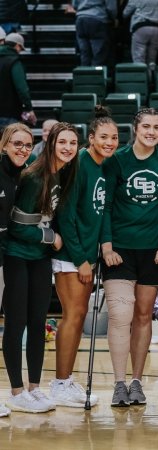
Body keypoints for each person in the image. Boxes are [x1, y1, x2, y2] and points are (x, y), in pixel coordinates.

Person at [100, 108, 158, 407]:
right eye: (146, 126)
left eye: (157, 127)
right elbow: (106, 205)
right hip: (120, 251)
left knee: (142, 315)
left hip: (155, 252)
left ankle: (136, 381)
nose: (152, 132)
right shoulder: (117, 161)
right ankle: (118, 383)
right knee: (120, 316)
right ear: (135, 129)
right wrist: (107, 246)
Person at [3, 122, 79, 413]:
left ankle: (35, 388)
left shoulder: (59, 172)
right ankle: (16, 391)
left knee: (38, 323)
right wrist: (52, 237)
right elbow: (17, 226)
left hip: (39, 257)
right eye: (62, 143)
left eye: (73, 143)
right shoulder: (35, 175)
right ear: (50, 144)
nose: (68, 148)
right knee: (16, 322)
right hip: (17, 255)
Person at [49, 108, 118, 408]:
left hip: (87, 254)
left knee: (77, 319)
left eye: (114, 137)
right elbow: (66, 214)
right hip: (71, 256)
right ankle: (59, 383)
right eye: (103, 137)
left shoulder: (102, 166)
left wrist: (101, 248)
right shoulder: (79, 163)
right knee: (73, 317)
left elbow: (100, 212)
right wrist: (80, 259)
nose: (110, 142)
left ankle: (66, 381)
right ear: (90, 138)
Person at [0, 122, 33, 417]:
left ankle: (16, 392)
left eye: (27, 145)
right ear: (4, 145)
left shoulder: (20, 176)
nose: (22, 149)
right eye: (17, 144)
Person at [0, 33, 36, 129]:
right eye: (20, 49)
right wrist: (29, 108)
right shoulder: (14, 62)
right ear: (17, 45)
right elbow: (22, 88)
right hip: (9, 113)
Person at [123, 0, 158, 73]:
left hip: (141, 27)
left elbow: (125, 13)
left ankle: (141, 81)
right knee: (152, 60)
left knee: (139, 59)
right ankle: (151, 79)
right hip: (157, 28)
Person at [72, 0, 117, 66]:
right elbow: (111, 8)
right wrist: (114, 18)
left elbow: (74, 5)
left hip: (80, 19)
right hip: (97, 18)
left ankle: (84, 74)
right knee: (99, 55)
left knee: (84, 54)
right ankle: (96, 75)